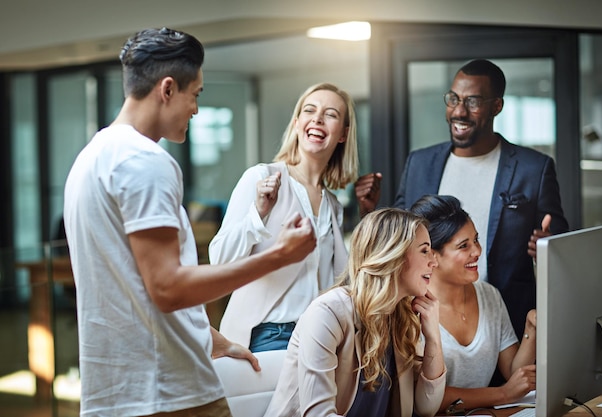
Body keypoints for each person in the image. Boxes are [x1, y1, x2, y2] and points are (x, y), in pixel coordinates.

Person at [63, 27, 317, 417]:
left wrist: (210, 339)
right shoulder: (145, 162)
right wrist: (279, 255)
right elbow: (167, 288)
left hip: (115, 396)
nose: (196, 109)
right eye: (195, 94)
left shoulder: (91, 159)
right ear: (167, 89)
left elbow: (132, 289)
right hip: (170, 395)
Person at [356, 58, 568, 339]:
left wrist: (549, 244)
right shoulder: (420, 163)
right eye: (454, 98)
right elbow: (397, 241)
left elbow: (561, 244)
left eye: (473, 101)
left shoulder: (534, 168)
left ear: (496, 106)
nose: (459, 111)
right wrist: (369, 211)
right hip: (424, 319)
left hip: (508, 323)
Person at [209, 82, 359, 352]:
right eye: (309, 110)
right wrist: (258, 214)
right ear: (296, 122)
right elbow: (219, 258)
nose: (317, 118)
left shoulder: (333, 206)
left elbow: (340, 282)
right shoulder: (261, 177)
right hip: (269, 334)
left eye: (331, 114)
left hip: (319, 336)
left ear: (343, 135)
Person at [263, 208, 446, 417]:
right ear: (392, 254)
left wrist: (433, 338)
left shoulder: (401, 318)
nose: (434, 261)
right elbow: (318, 414)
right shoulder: (327, 313)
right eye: (424, 250)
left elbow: (426, 407)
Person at [411, 194, 536, 411]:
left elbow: (513, 374)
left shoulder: (489, 296)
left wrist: (531, 331)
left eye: (476, 240)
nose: (477, 252)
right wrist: (503, 394)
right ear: (432, 256)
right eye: (464, 246)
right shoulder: (412, 310)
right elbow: (426, 399)